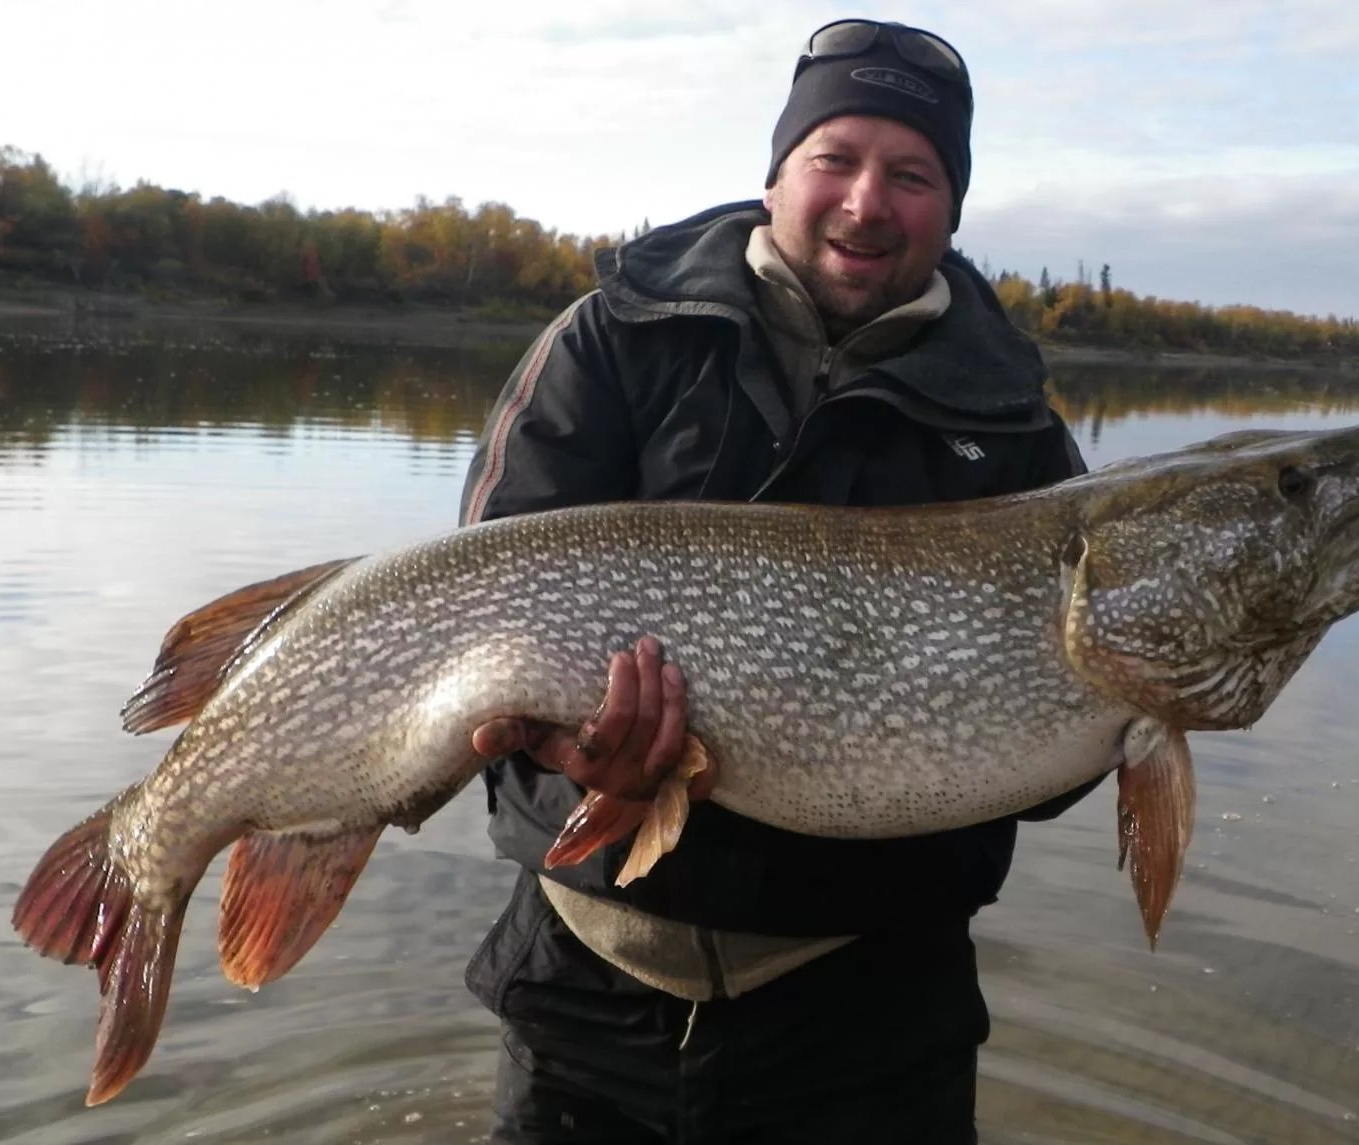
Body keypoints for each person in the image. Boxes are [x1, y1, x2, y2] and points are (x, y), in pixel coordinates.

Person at [457, 18, 1100, 1144]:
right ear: (776, 177)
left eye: (912, 175)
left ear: (951, 210)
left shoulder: (1016, 430)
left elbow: (1044, 763)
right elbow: (490, 593)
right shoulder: (617, 336)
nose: (866, 202)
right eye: (834, 159)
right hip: (584, 985)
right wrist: (568, 748)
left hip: (871, 1016)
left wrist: (1152, 682)